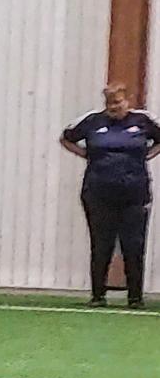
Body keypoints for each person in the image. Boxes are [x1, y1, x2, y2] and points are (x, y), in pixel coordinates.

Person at [60, 82, 160, 307]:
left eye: (118, 102)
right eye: (109, 104)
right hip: (98, 192)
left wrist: (148, 155)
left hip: (135, 193)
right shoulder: (93, 121)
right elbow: (66, 138)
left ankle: (135, 297)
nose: (114, 108)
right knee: (101, 244)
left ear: (127, 101)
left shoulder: (142, 121)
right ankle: (98, 295)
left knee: (133, 245)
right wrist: (86, 154)